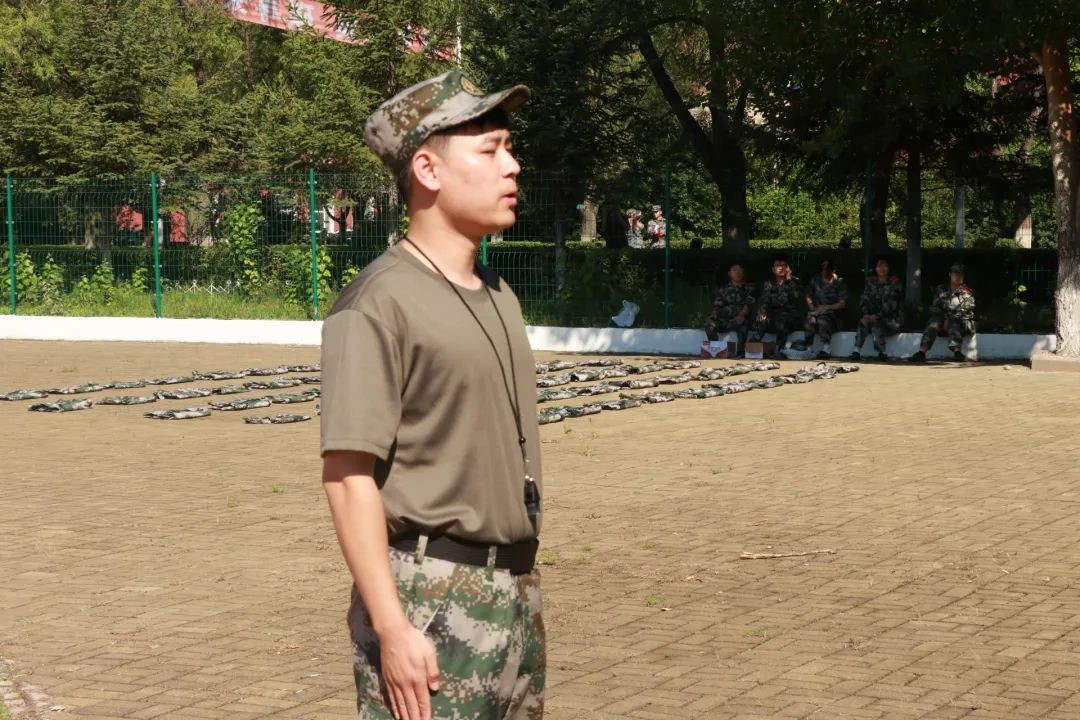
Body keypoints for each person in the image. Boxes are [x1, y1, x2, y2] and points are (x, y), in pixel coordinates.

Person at [320, 70, 545, 720]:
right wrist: (392, 628)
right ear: (428, 169)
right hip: (429, 602)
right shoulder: (378, 303)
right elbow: (347, 478)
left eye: (509, 148)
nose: (512, 166)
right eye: (490, 149)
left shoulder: (499, 293)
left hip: (515, 593)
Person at [909, 263, 976, 362]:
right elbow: (935, 307)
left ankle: (957, 352)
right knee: (933, 323)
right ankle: (921, 352)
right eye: (955, 274)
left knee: (954, 322)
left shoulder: (967, 292)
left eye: (960, 274)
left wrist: (948, 319)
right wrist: (945, 319)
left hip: (963, 322)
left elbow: (964, 310)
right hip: (942, 320)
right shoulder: (941, 289)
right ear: (950, 275)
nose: (958, 277)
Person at [749, 255, 803, 357]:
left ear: (788, 268)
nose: (781, 267)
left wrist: (789, 279)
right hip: (773, 316)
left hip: (789, 317)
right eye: (778, 265)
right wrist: (762, 313)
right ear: (773, 269)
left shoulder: (794, 281)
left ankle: (778, 350)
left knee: (783, 320)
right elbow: (765, 301)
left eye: (784, 265)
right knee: (761, 320)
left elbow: (796, 297)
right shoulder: (769, 284)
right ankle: (751, 349)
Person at [851, 256, 902, 361]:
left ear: (888, 268)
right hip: (872, 317)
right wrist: (866, 313)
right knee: (863, 322)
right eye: (879, 266)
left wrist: (876, 316)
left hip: (891, 319)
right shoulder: (870, 283)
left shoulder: (894, 283)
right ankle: (856, 351)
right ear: (876, 268)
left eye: (884, 266)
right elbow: (864, 300)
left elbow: (892, 305)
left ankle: (882, 352)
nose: (882, 268)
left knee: (876, 323)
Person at [704, 261, 755, 355]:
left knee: (744, 324)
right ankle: (716, 349)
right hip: (725, 320)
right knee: (708, 323)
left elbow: (749, 304)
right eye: (734, 270)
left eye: (740, 270)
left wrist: (741, 315)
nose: (737, 272)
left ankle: (740, 352)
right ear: (729, 273)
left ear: (743, 273)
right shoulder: (724, 289)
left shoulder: (749, 288)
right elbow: (718, 304)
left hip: (740, 319)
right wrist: (714, 313)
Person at [802, 259, 847, 360]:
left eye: (827, 268)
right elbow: (808, 295)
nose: (824, 270)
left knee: (823, 319)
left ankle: (826, 349)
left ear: (833, 269)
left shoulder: (839, 282)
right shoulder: (815, 280)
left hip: (833, 314)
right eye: (823, 268)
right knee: (810, 319)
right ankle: (808, 349)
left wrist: (826, 307)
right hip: (816, 311)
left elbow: (842, 304)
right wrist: (812, 307)